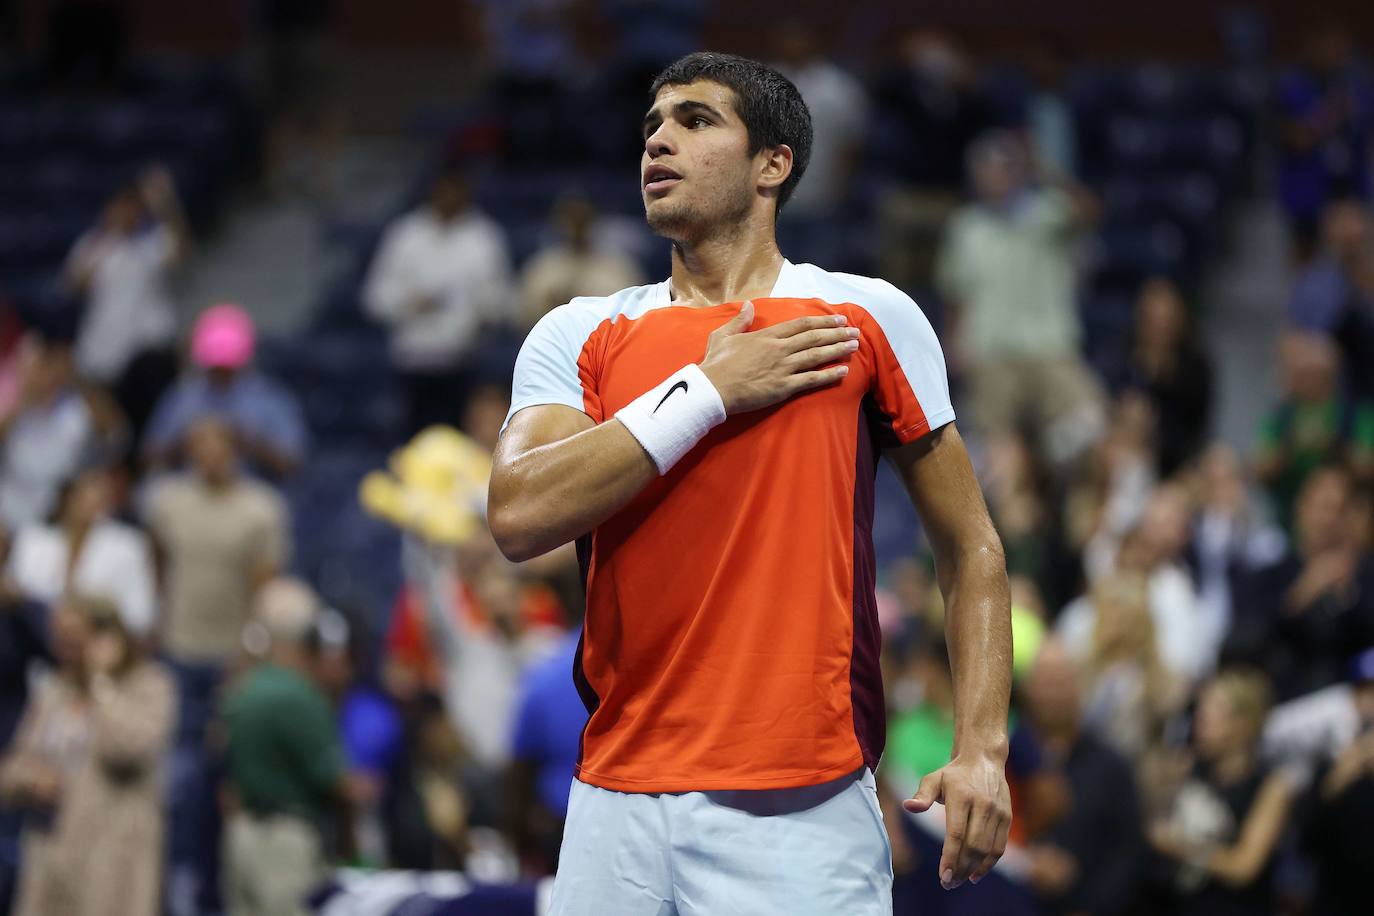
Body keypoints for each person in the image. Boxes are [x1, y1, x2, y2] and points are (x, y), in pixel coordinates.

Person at [490, 52, 1012, 913]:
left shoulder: (865, 316)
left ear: (774, 164)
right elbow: (519, 514)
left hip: (802, 811)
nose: (659, 140)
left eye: (696, 122)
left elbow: (971, 547)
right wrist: (706, 392)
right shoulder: (579, 330)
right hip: (613, 805)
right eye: (652, 125)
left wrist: (983, 746)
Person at [934, 130, 1105, 467]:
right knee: (995, 459)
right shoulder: (966, 228)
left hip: (1050, 348)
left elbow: (1091, 212)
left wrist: (1046, 170)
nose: (994, 175)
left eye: (1003, 166)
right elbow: (954, 294)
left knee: (1090, 429)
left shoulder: (1049, 213)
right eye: (987, 168)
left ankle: (1050, 482)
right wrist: (955, 344)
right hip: (991, 352)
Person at [221, 578, 372, 916]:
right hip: (286, 840)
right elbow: (337, 781)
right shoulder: (300, 695)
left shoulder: (243, 688)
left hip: (241, 832)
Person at [363, 166, 514, 434]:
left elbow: (501, 303)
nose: (446, 198)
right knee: (414, 443)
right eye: (441, 192)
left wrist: (478, 309)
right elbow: (375, 298)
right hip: (413, 362)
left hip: (462, 361)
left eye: (453, 192)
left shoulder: (484, 238)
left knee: (464, 442)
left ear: (464, 194)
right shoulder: (405, 234)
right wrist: (411, 302)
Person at [1148, 669, 1296, 916]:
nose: (1199, 721)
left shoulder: (1271, 786)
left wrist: (1179, 846)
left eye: (1211, 715)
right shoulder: (1186, 764)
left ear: (1244, 724)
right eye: (1200, 712)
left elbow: (1244, 866)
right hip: (1171, 902)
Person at [1021, 639, 1144, 916]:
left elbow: (1128, 851)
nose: (1052, 694)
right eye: (1044, 682)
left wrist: (1090, 908)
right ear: (1028, 688)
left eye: (1061, 682)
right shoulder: (1002, 760)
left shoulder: (1113, 767)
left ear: (1078, 686)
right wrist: (1024, 863)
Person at [1229, 465, 1374, 702]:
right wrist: (1300, 595)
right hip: (1280, 709)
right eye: (1323, 507)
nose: (1329, 519)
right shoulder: (1269, 575)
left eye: (1341, 510)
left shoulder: (1365, 579)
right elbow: (1241, 646)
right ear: (1301, 507)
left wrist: (1352, 598)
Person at [63, 166, 186, 438]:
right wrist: (106, 236)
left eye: (133, 208)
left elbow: (180, 252)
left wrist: (165, 207)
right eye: (121, 206)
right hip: (105, 357)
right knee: (113, 433)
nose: (126, 213)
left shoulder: (152, 244)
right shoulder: (93, 245)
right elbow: (74, 284)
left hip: (147, 358)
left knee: (152, 427)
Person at [143, 303, 308, 481]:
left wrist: (246, 441)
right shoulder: (183, 396)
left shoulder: (270, 398)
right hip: (189, 494)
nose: (221, 372)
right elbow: (148, 458)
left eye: (228, 368)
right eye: (215, 367)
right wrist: (187, 442)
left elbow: (293, 464)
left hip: (249, 495)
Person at [0, 324, 125, 533]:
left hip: (57, 516)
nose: (38, 373)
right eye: (32, 365)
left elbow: (118, 435)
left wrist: (74, 378)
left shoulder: (78, 407)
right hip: (8, 514)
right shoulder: (16, 407)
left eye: (43, 365)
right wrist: (24, 399)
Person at [6, 467, 157, 637]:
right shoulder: (33, 539)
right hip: (36, 637)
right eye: (80, 496)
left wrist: (92, 614)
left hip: (99, 641)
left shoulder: (128, 545)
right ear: (66, 498)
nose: (87, 504)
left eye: (97, 498)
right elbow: (14, 590)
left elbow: (141, 616)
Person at [1254, 330, 1374, 530]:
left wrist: (1333, 443)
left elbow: (1367, 466)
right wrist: (1291, 445)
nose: (1310, 382)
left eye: (1318, 374)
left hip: (1347, 520)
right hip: (1287, 519)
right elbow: (1261, 468)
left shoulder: (1355, 414)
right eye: (1303, 374)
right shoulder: (1282, 416)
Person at [1117, 276, 1214, 476]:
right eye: (1153, 319)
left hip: (1179, 463)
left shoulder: (1196, 366)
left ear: (1180, 320)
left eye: (1166, 320)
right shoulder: (1121, 358)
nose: (1160, 327)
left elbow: (1196, 431)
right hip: (1126, 455)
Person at [1305, 645, 1374, 916]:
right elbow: (1309, 838)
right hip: (1338, 891)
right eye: (1363, 690)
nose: (1370, 701)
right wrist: (1342, 774)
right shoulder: (1332, 753)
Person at [1287, 198, 1374, 400]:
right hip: (1329, 381)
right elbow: (1295, 333)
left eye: (1356, 236)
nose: (1350, 238)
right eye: (1344, 231)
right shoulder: (1312, 282)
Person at [519, 194, 646, 328]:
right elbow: (523, 315)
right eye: (570, 219)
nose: (576, 226)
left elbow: (636, 313)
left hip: (608, 341)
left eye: (581, 219)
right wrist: (550, 305)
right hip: (555, 340)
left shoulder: (618, 265)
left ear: (593, 220)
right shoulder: (542, 266)